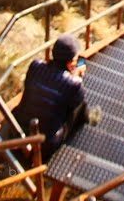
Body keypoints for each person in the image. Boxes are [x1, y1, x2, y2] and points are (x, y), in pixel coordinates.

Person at [13, 33, 91, 161]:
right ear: (71, 61)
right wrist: (77, 77)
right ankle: (88, 119)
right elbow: (77, 102)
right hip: (46, 144)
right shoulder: (74, 84)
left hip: (19, 129)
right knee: (80, 107)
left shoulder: (35, 66)